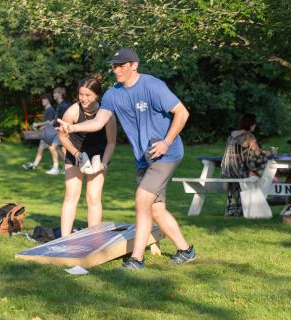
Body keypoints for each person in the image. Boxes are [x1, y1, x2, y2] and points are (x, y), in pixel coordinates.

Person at [58, 48, 195, 269]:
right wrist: (72, 127)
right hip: (143, 158)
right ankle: (185, 250)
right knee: (156, 209)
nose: (117, 69)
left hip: (166, 154)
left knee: (142, 199)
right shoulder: (113, 94)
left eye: (122, 65)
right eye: (114, 66)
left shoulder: (153, 86)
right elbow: (97, 123)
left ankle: (136, 259)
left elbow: (182, 113)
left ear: (134, 65)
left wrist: (167, 141)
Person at [59, 75, 117, 237]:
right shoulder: (72, 111)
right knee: (71, 195)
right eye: (81, 94)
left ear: (97, 95)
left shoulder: (107, 114)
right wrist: (76, 153)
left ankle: (94, 238)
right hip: (75, 152)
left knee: (93, 197)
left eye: (88, 95)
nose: (83, 99)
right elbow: (63, 137)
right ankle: (64, 238)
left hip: (98, 154)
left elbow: (111, 142)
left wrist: (104, 162)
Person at [221, 113, 269, 216]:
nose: (255, 126)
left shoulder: (232, 134)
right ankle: (254, 206)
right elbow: (257, 153)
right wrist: (269, 153)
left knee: (253, 169)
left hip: (227, 171)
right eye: (254, 124)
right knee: (260, 169)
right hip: (240, 171)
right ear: (250, 124)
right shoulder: (248, 136)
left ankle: (235, 208)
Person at [22, 93, 61, 175]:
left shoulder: (50, 109)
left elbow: (49, 122)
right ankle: (34, 165)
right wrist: (41, 127)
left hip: (50, 132)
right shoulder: (47, 109)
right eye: (42, 99)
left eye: (45, 99)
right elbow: (48, 123)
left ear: (48, 100)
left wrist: (38, 124)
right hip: (47, 132)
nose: (43, 101)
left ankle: (56, 168)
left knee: (53, 149)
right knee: (41, 149)